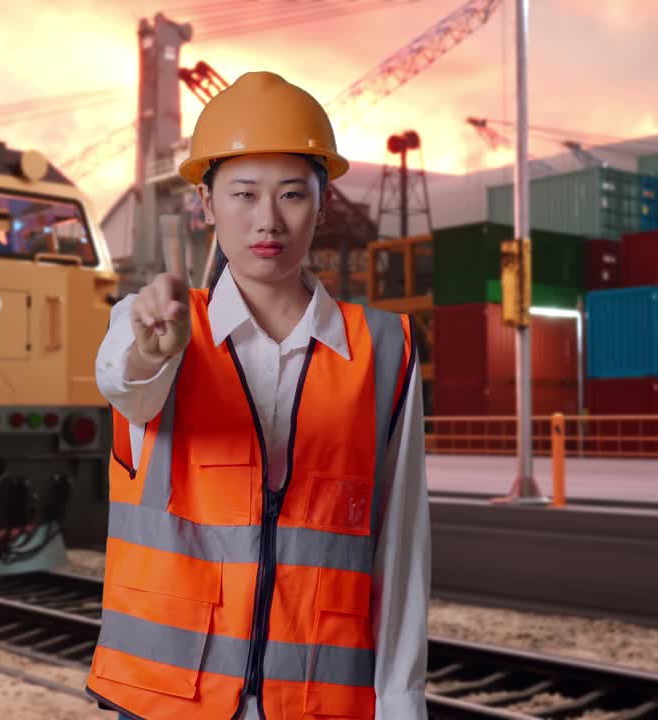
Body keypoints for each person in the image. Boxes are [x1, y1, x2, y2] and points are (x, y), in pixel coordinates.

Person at [85, 71, 430, 720]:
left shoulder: (385, 351)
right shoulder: (153, 321)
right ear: (206, 205)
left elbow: (402, 550)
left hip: (317, 702)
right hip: (169, 705)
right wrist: (153, 348)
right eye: (243, 193)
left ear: (322, 204)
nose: (267, 219)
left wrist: (403, 708)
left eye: (292, 194)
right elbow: (127, 386)